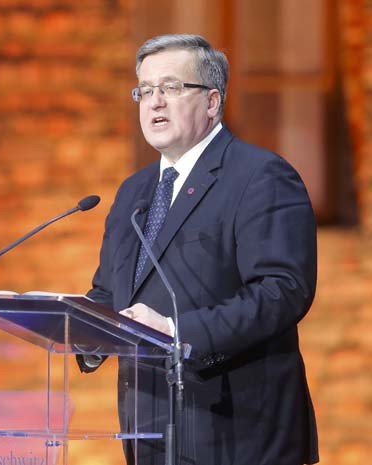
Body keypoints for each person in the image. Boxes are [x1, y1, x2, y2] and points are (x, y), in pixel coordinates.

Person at [77, 34, 319, 465]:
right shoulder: (134, 191)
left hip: (240, 434)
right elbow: (107, 293)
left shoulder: (260, 175)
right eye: (145, 90)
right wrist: (83, 330)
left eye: (170, 88)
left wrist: (176, 332)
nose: (154, 103)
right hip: (150, 430)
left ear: (212, 102)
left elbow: (282, 290)